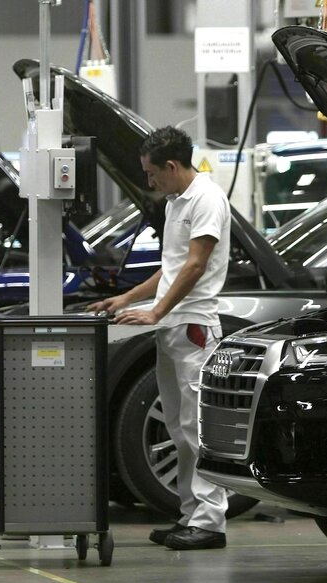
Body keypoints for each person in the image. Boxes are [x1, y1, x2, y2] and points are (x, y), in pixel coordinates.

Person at [87, 126, 230, 550]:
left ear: (171, 165)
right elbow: (172, 266)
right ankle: (191, 515)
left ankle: (210, 521)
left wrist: (156, 311)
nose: (149, 182)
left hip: (195, 326)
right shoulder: (175, 202)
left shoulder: (206, 199)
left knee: (197, 427)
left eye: (152, 173)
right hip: (173, 327)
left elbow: (195, 266)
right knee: (178, 427)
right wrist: (128, 297)